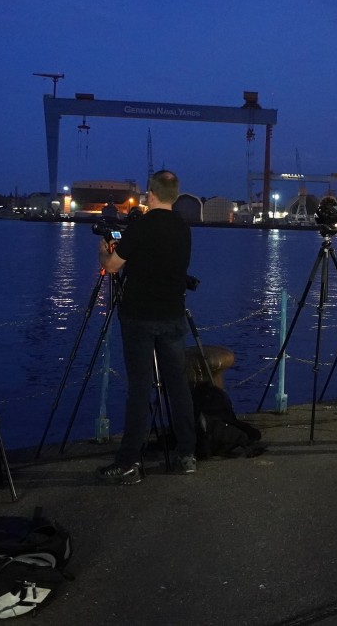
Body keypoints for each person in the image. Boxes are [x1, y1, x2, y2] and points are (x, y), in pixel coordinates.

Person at [95, 170, 197, 483]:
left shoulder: (139, 227)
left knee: (139, 390)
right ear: (176, 196)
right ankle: (187, 454)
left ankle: (129, 462)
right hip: (172, 316)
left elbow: (112, 266)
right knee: (178, 387)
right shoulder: (184, 228)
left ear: (150, 194)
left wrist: (104, 249)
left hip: (139, 317)